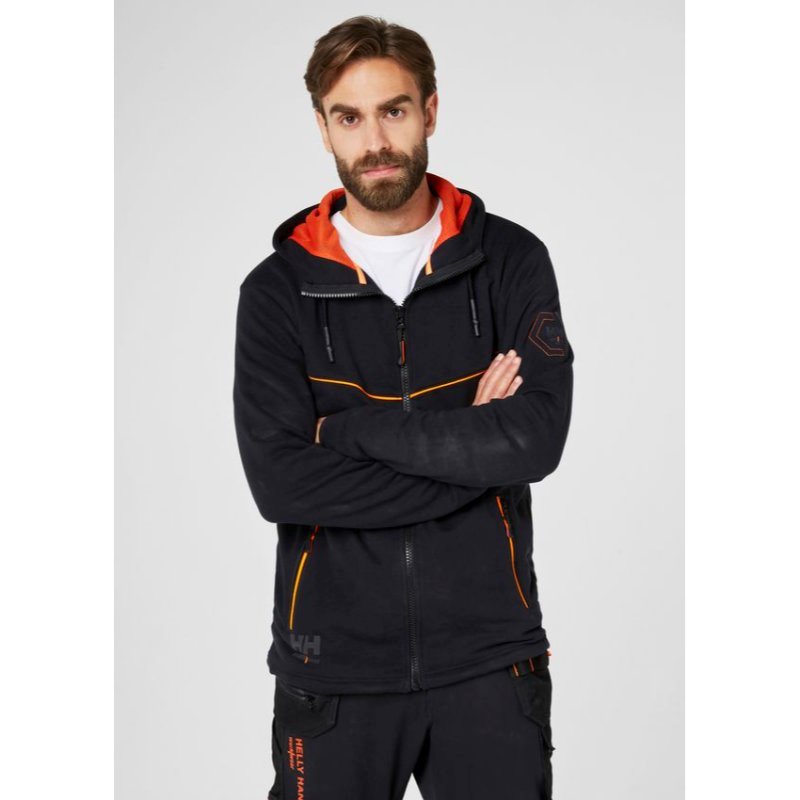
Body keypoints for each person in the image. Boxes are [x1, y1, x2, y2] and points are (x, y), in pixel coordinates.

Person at [233, 15, 574, 800]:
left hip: (490, 657)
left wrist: (348, 433)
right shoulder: (277, 292)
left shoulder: (510, 261)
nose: (376, 140)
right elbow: (283, 485)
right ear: (323, 128)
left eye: (394, 110)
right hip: (334, 668)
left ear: (430, 112)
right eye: (349, 117)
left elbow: (534, 442)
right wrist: (474, 451)